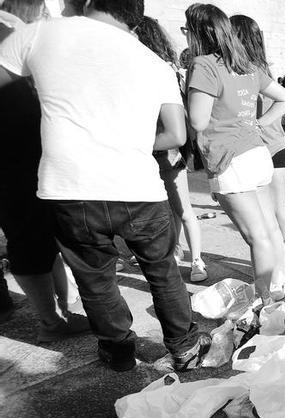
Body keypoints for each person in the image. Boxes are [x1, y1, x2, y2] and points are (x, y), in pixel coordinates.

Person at [0, 0, 210, 371]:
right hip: (139, 186)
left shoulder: (41, 33)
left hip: (70, 186)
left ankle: (117, 351)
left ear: (87, 3)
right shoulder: (153, 60)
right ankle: (185, 347)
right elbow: (176, 134)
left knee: (95, 277)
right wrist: (127, 141)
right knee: (162, 271)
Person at [184, 3, 285, 304]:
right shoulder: (246, 64)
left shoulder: (204, 65)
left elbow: (198, 121)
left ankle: (265, 302)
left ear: (197, 32)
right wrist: (259, 123)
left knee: (256, 236)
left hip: (229, 158)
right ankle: (275, 289)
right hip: (256, 153)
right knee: (267, 230)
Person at [0, 0, 90, 343]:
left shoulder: (16, 31)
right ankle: (51, 322)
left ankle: (60, 313)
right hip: (17, 160)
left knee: (42, 238)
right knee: (29, 239)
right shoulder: (14, 32)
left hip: (29, 156)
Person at [134, 16, 209, 283]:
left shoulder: (161, 69)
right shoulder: (154, 67)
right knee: (169, 210)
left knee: (183, 209)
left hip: (166, 150)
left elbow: (180, 119)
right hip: (153, 149)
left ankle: (197, 259)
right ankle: (175, 252)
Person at [230, 15, 285, 244]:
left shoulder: (252, 71)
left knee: (277, 216)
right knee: (276, 216)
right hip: (274, 151)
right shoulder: (259, 68)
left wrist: (259, 123)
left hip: (273, 151)